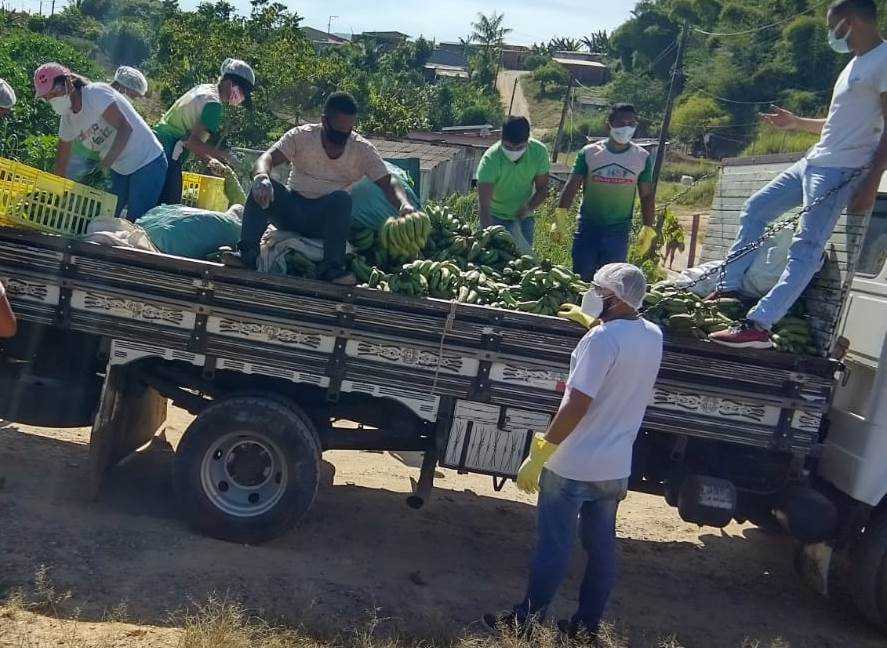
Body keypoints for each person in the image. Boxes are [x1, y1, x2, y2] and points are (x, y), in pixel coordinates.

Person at [484, 263, 662, 641]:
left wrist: (542, 451)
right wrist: (593, 324)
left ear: (613, 298)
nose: (591, 294)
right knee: (601, 549)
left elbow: (576, 404)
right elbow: (621, 355)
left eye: (597, 290)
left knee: (555, 545)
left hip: (573, 465)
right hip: (615, 467)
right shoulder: (653, 335)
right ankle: (586, 627)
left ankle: (527, 622)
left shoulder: (600, 342)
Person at [708, 0, 886, 349]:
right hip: (813, 160)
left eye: (832, 26)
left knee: (806, 247)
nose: (830, 34)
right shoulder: (854, 64)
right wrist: (796, 123)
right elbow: (837, 124)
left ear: (849, 22)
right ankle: (729, 289)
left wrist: (872, 180)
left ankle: (759, 323)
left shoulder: (885, 60)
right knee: (756, 208)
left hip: (840, 170)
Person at [234, 92, 419, 285]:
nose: (340, 139)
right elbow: (266, 158)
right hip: (292, 210)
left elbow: (388, 182)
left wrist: (404, 205)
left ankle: (333, 268)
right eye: (336, 133)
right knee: (264, 186)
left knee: (342, 199)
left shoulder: (362, 149)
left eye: (346, 134)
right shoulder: (301, 136)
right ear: (324, 121)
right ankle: (247, 253)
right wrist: (262, 177)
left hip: (325, 222)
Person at [34, 63, 167, 222]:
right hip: (119, 168)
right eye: (47, 98)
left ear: (68, 84)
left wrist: (103, 166)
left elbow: (125, 129)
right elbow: (62, 163)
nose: (51, 100)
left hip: (147, 161)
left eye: (53, 93)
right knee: (104, 220)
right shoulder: (68, 120)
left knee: (135, 223)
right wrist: (54, 197)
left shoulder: (95, 94)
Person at [554, 103, 657, 280]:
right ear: (608, 124)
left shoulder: (642, 157)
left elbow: (646, 195)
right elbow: (572, 185)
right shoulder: (589, 152)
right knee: (581, 279)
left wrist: (648, 227)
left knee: (611, 283)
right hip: (588, 228)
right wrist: (561, 215)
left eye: (631, 123)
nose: (626, 128)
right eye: (621, 122)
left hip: (618, 232)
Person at [153, 58, 254, 204]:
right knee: (167, 205)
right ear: (231, 83)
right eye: (242, 93)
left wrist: (210, 161)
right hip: (168, 151)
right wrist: (225, 156)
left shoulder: (204, 89)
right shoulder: (214, 105)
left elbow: (193, 140)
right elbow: (193, 142)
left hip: (159, 143)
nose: (241, 99)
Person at [475, 116, 550, 252]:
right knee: (490, 258)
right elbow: (484, 206)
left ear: (527, 141)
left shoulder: (539, 152)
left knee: (523, 261)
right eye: (508, 147)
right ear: (501, 139)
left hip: (523, 217)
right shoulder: (490, 160)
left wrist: (528, 208)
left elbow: (542, 189)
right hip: (494, 216)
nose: (514, 152)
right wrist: (489, 234)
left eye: (519, 148)